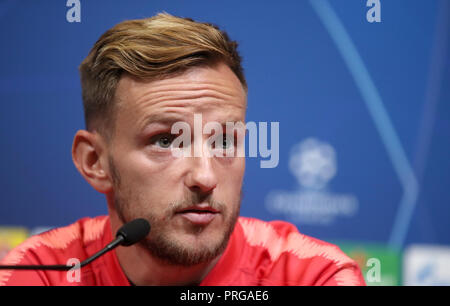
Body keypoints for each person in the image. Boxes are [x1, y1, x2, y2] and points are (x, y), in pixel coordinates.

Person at [0, 13, 365, 286]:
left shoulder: (313, 275)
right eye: (164, 141)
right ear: (95, 162)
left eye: (224, 141)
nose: (205, 177)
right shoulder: (38, 272)